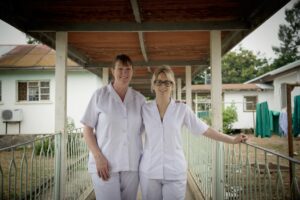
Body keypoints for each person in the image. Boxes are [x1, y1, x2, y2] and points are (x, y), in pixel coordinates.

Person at [139, 65, 248, 200]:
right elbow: (130, 131)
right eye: (159, 82)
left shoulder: (182, 109)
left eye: (167, 82)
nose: (163, 86)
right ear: (153, 85)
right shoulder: (144, 109)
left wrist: (231, 139)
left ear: (172, 85)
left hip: (175, 171)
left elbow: (204, 129)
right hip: (149, 171)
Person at [81, 54, 145, 200]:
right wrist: (98, 157)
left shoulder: (139, 99)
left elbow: (154, 118)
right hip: (105, 164)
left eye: (128, 69)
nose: (124, 73)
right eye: (120, 69)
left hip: (132, 165)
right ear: (112, 71)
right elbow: (87, 129)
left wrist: (172, 104)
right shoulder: (100, 96)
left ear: (133, 71)